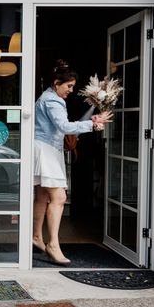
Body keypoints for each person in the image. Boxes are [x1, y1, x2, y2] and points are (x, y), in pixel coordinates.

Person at [33, 59, 112, 265]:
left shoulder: (47, 98)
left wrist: (90, 122)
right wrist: (93, 126)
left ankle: (35, 237)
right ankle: (52, 245)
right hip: (47, 150)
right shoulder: (53, 101)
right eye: (68, 86)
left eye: (73, 87)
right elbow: (64, 126)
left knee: (42, 196)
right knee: (59, 197)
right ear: (56, 82)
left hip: (43, 147)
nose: (70, 90)